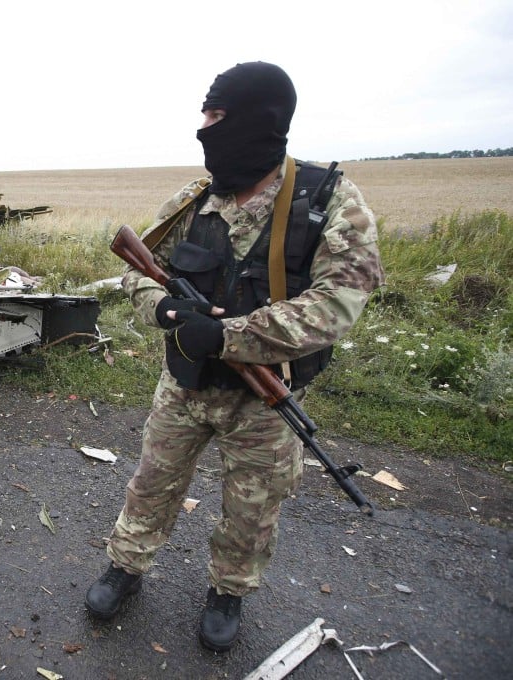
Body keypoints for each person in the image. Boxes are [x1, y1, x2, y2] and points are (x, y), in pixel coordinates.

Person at [84, 62, 385, 652]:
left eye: (217, 116)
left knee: (252, 508)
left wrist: (229, 336)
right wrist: (165, 312)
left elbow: (340, 302)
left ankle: (228, 591)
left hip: (264, 398)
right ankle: (126, 566)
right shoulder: (196, 198)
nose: (204, 129)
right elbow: (138, 272)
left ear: (260, 120)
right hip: (185, 385)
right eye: (205, 114)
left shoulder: (327, 199)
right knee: (151, 485)